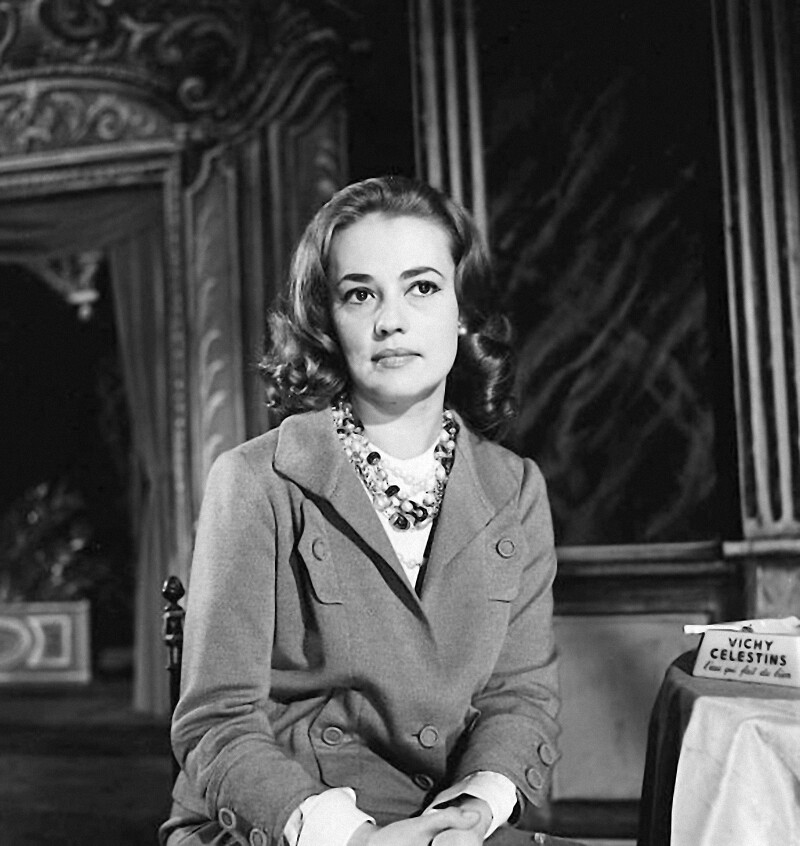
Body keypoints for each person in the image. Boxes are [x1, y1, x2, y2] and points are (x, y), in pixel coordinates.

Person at [160, 175, 560, 846]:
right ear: (327, 321)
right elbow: (216, 723)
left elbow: (520, 697)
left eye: (422, 287)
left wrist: (475, 805)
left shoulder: (515, 487)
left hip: (445, 821)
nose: (391, 320)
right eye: (360, 294)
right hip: (290, 822)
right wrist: (350, 837)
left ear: (462, 311)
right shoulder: (257, 480)